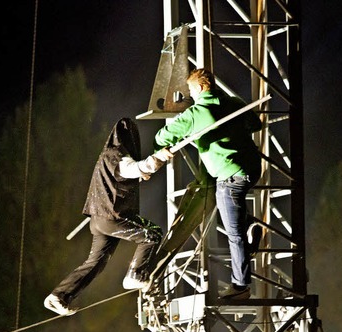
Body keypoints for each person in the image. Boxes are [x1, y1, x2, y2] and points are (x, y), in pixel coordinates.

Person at [44, 117, 173, 316]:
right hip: (112, 217)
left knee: (96, 262)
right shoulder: (115, 155)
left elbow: (122, 176)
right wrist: (157, 159)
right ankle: (135, 274)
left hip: (98, 220)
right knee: (152, 234)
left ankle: (59, 295)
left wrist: (140, 172)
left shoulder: (107, 157)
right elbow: (131, 168)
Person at [152, 68, 263, 300]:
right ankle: (250, 226)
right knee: (238, 214)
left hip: (229, 177)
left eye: (191, 90)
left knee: (234, 233)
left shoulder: (196, 114)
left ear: (201, 88)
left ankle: (241, 286)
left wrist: (187, 121)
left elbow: (161, 137)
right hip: (251, 169)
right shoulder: (234, 102)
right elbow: (255, 125)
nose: (190, 95)